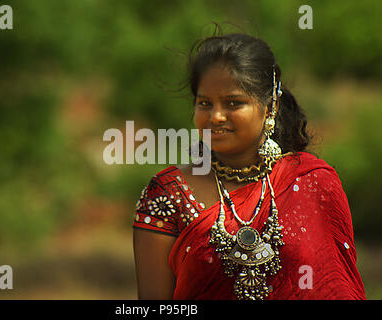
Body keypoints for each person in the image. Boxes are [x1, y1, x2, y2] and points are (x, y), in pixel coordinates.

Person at [132, 33, 366, 300]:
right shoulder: (169, 194)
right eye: (204, 103)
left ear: (269, 108)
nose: (216, 116)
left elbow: (333, 287)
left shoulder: (313, 182)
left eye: (233, 103)